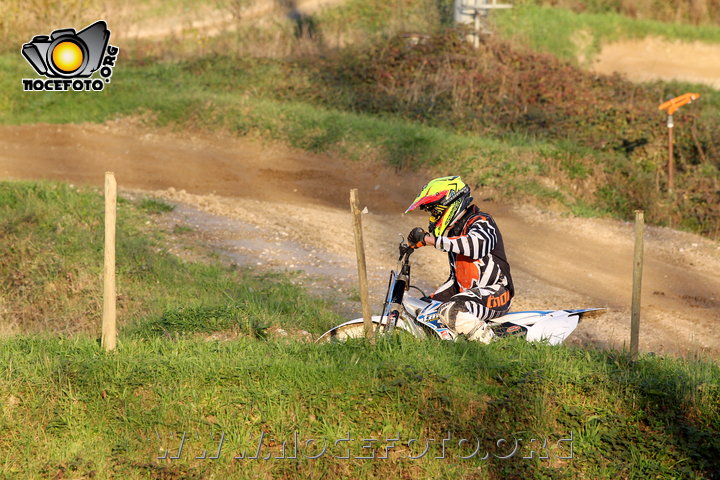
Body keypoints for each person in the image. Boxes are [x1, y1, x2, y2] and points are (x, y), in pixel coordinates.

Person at [405, 176, 514, 343]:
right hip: (470, 296)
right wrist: (430, 300)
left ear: (450, 204)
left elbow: (475, 244)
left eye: (435, 211)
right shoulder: (455, 233)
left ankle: (494, 347)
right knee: (424, 310)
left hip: (497, 293)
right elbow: (456, 281)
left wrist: (432, 240)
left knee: (452, 310)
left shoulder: (482, 221)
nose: (433, 217)